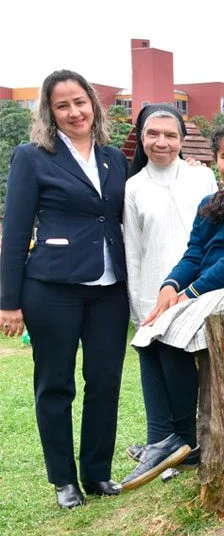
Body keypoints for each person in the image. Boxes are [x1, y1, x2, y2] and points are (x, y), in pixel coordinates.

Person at [124, 121, 224, 490]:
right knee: (148, 334)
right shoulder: (210, 203)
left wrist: (191, 293)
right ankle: (162, 438)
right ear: (215, 161)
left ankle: (185, 438)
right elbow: (194, 254)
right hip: (214, 289)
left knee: (171, 334)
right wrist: (170, 285)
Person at [0, 69, 130, 508]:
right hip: (51, 287)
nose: (75, 112)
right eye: (63, 105)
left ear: (93, 103)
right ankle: (64, 480)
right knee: (55, 383)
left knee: (106, 381)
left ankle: (96, 473)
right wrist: (8, 302)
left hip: (109, 288)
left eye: (80, 102)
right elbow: (16, 233)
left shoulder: (115, 158)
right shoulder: (33, 156)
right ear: (49, 112)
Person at [122, 104, 218, 476]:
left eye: (170, 134)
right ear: (142, 138)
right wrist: (137, 304)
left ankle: (188, 441)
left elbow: (213, 235)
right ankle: (160, 444)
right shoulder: (133, 186)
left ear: (182, 139)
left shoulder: (202, 178)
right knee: (153, 367)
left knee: (183, 367)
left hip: (196, 289)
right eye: (153, 134)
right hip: (151, 290)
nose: (161, 142)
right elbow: (133, 247)